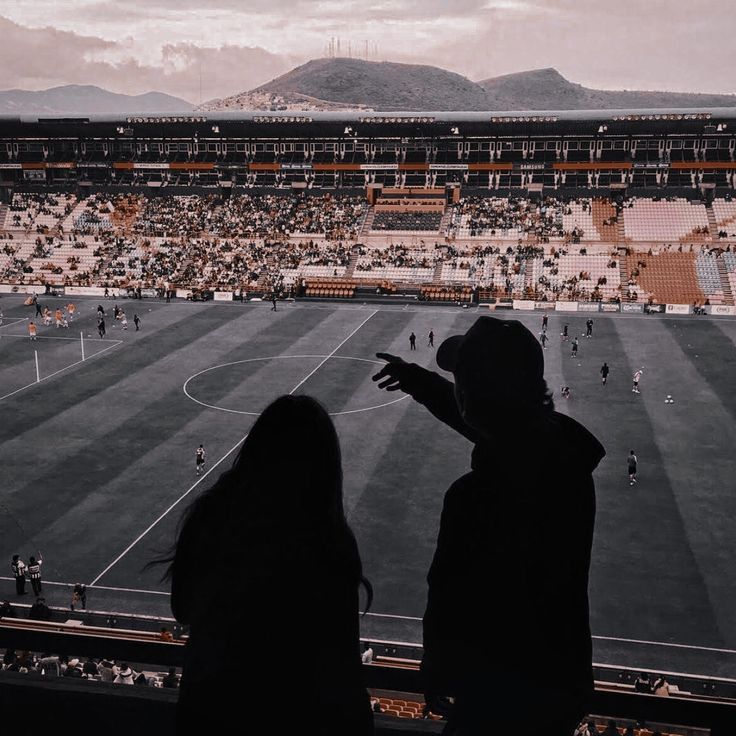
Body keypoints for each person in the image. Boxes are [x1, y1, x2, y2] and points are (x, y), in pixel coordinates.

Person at [372, 317, 604, 735]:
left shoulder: (475, 495)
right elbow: (506, 427)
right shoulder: (566, 459)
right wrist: (422, 384)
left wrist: (437, 667)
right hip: (560, 684)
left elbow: (446, 591)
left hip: (493, 694)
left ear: (473, 396)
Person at [163, 395, 374, 734]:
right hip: (298, 712)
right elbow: (341, 653)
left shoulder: (214, 518)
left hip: (214, 708)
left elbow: (183, 608)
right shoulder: (328, 537)